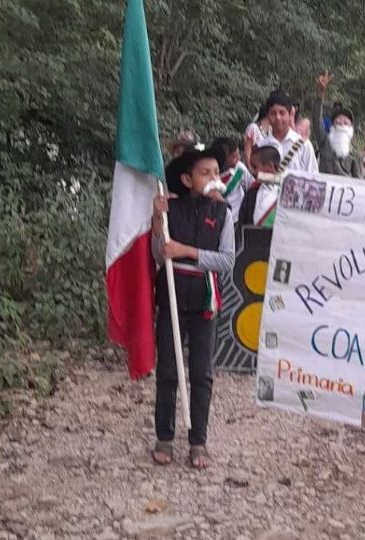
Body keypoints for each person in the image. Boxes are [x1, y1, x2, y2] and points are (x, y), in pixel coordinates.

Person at [150, 148, 235, 470]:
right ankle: (164, 437)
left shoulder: (224, 213)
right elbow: (159, 255)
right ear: (186, 179)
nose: (214, 178)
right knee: (169, 370)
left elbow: (227, 261)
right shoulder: (169, 208)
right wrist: (158, 220)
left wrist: (186, 250)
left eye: (216, 171)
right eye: (205, 173)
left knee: (202, 373)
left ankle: (198, 440)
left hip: (204, 301)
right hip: (172, 295)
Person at [256, 91, 318, 173]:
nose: (278, 117)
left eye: (282, 113)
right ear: (267, 116)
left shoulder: (304, 145)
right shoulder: (262, 146)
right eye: (273, 113)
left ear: (290, 114)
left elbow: (313, 177)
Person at [239, 146, 282, 228]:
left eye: (255, 167)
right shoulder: (252, 192)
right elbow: (243, 220)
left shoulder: (285, 193)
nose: (253, 172)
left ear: (270, 166)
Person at [317, 107, 363, 178]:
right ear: (333, 125)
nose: (342, 124)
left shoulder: (355, 153)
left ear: (350, 127)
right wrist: (319, 99)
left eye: (345, 122)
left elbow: (358, 178)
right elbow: (317, 121)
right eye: (338, 122)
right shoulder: (325, 141)